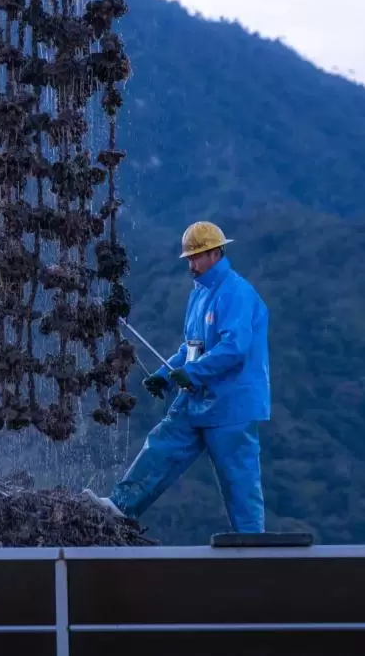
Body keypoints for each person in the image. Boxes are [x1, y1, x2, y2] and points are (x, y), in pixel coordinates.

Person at [86, 221, 271, 533]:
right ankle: (121, 507)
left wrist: (192, 373)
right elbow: (191, 347)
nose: (191, 264)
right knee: (161, 447)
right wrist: (165, 375)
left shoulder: (236, 293)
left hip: (231, 404)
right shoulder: (198, 295)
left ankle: (252, 542)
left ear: (215, 253)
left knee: (238, 477)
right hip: (196, 396)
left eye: (195, 257)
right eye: (189, 258)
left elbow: (234, 348)